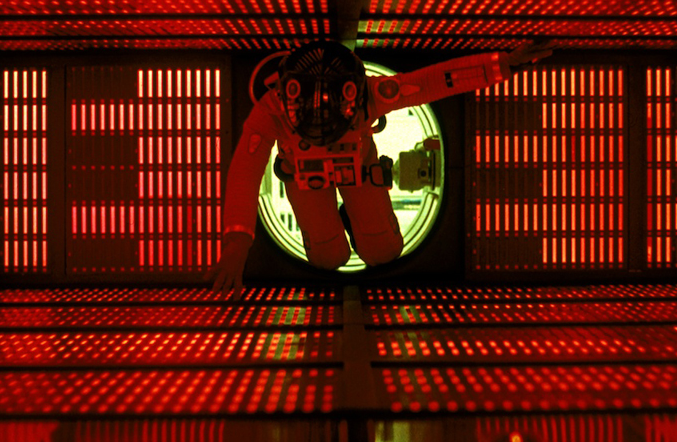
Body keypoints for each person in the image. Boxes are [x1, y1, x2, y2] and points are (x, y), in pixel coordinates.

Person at [206, 40, 553, 298]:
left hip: (358, 169)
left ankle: (355, 219)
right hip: (305, 178)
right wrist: (237, 241)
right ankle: (339, 226)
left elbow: (433, 81)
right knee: (328, 258)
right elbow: (245, 172)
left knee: (384, 251)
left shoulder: (370, 93)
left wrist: (503, 64)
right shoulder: (271, 110)